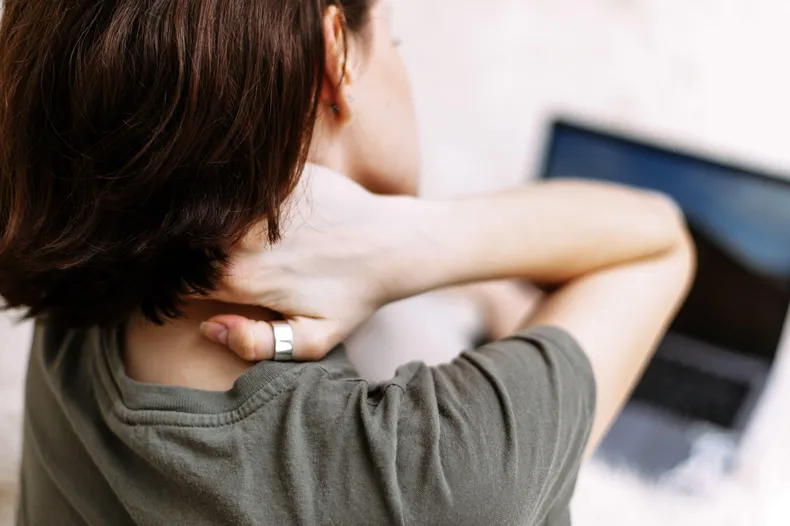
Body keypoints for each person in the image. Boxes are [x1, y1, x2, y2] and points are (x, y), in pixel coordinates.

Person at [0, 0, 695, 524]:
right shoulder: (443, 476)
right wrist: (410, 240)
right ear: (338, 58)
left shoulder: (82, 289)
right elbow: (659, 239)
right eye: (394, 42)